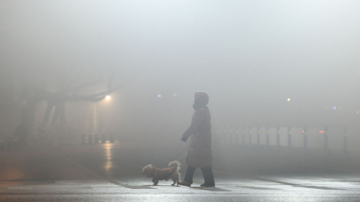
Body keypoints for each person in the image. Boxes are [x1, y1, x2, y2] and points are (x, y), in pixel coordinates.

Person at [178, 92, 215, 187]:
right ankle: (209, 181)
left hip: (199, 140)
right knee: (204, 160)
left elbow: (195, 125)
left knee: (192, 159)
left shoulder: (201, 110)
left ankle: (187, 180)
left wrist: (186, 135)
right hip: (203, 139)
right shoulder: (203, 109)